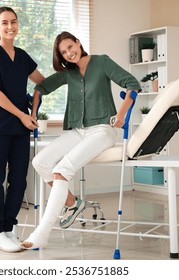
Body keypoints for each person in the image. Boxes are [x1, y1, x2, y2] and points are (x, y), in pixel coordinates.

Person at [21, 31, 141, 250]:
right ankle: (73, 203)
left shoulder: (102, 62)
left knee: (62, 170)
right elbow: (40, 88)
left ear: (78, 42)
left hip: (103, 130)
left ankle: (42, 232)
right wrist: (34, 113)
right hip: (78, 131)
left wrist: (122, 114)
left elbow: (132, 84)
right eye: (64, 52)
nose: (69, 53)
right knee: (40, 162)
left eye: (70, 47)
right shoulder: (69, 73)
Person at [0, 6, 43, 253]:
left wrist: (34, 110)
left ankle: (10, 228)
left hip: (20, 127)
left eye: (13, 22)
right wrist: (22, 115)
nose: (10, 27)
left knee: (19, 179)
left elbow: (42, 84)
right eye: (4, 22)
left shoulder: (23, 56)